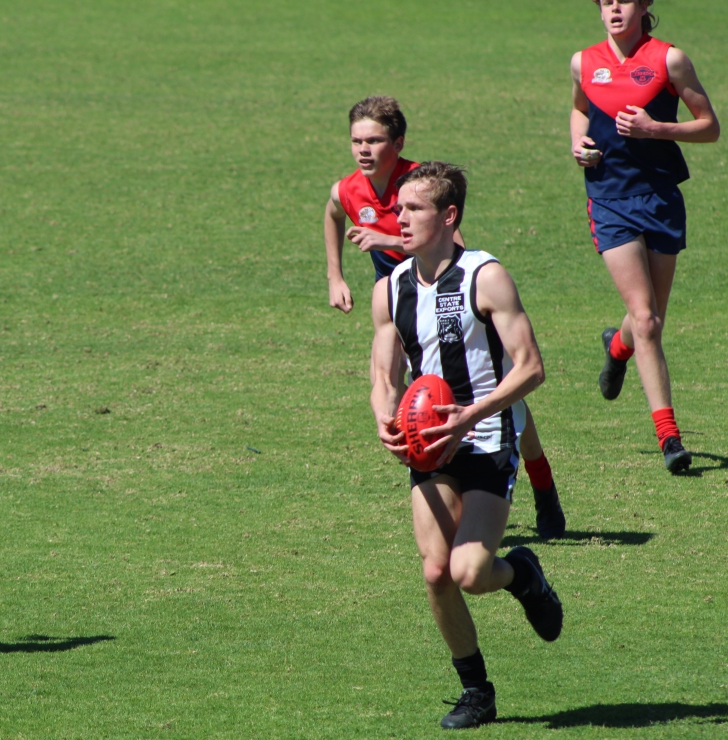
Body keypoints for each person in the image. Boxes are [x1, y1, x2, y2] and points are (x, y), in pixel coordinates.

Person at [369, 162, 563, 729]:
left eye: (414, 209)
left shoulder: (486, 277)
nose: (400, 218)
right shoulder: (390, 289)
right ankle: (477, 691)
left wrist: (469, 415)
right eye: (398, 208)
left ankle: (523, 575)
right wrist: (386, 419)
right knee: (435, 573)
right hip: (429, 446)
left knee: (471, 573)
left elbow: (530, 369)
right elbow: (384, 376)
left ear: (448, 216)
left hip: (486, 438)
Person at [325, 97, 564, 538]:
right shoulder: (350, 186)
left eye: (374, 140)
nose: (363, 149)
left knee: (499, 392)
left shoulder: (421, 184)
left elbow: (454, 248)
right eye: (356, 140)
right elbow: (334, 211)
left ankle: (542, 483)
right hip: (397, 294)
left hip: (442, 283)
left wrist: (389, 240)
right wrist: (334, 273)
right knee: (404, 386)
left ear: (397, 144)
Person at [570, 0, 719, 473]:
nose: (615, 8)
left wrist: (657, 129)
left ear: (644, 6)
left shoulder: (669, 59)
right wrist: (578, 145)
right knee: (648, 320)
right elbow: (578, 110)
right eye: (606, 1)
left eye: (624, 0)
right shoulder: (583, 62)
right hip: (610, 199)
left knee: (650, 317)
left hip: (659, 198)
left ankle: (618, 348)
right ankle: (669, 437)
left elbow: (710, 127)